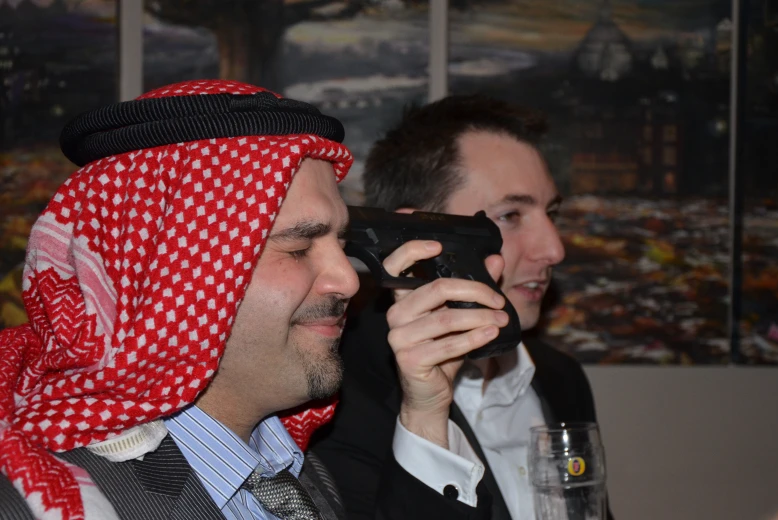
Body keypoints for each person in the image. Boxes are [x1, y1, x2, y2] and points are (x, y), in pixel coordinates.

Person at [0, 81, 506, 520]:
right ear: (177, 273)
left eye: (341, 245)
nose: (348, 282)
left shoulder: (293, 473)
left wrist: (425, 415)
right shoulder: (45, 503)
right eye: (299, 246)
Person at [311, 95, 613, 520]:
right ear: (412, 240)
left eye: (551, 213)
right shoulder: (331, 401)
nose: (554, 249)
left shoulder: (561, 378)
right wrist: (424, 422)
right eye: (509, 215)